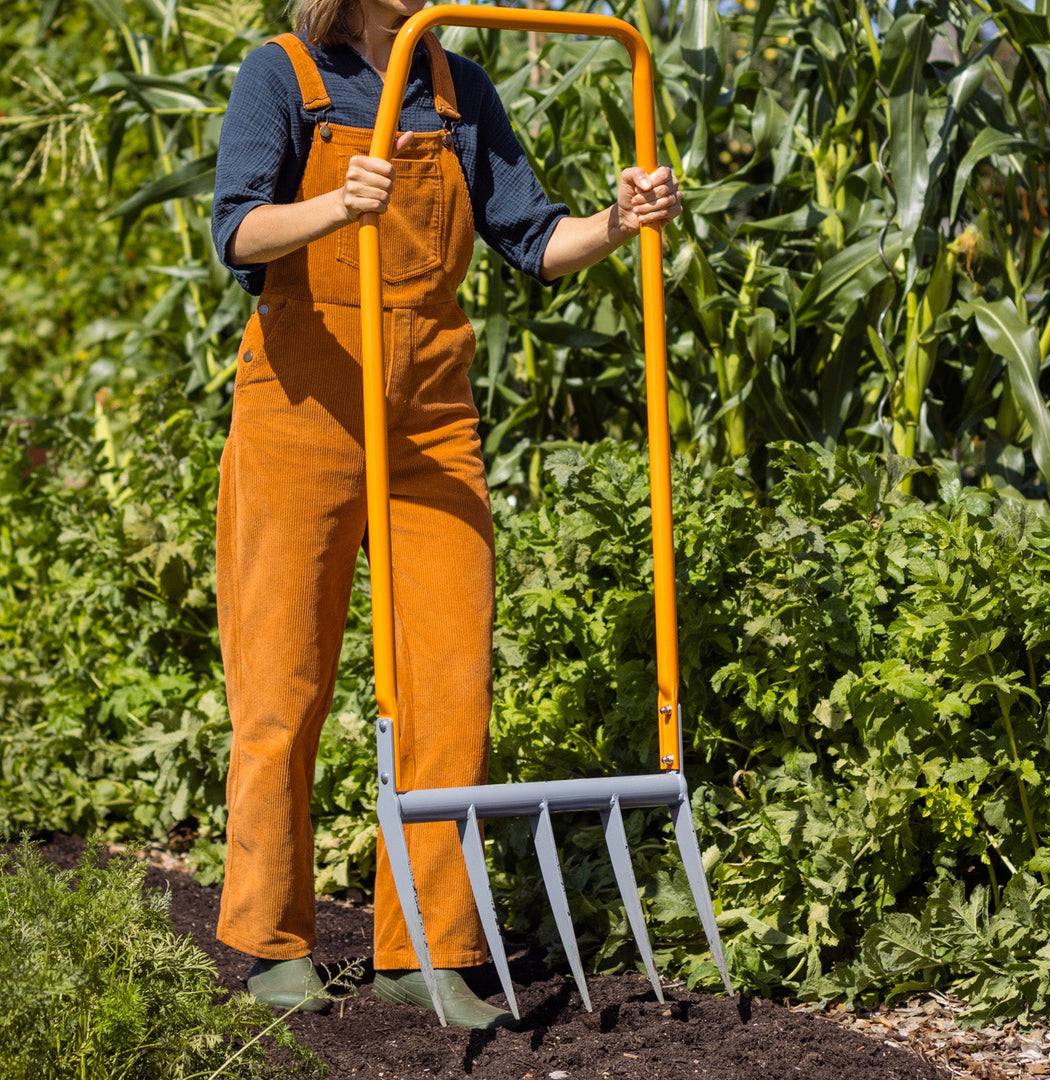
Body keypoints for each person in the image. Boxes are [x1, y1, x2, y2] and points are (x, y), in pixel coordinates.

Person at [210, 0, 682, 1030]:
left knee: (451, 685)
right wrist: (337, 206)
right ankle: (268, 943)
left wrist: (619, 223)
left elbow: (535, 238)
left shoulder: (462, 91)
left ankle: (424, 950)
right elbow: (238, 227)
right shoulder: (284, 74)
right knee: (281, 682)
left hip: (430, 418)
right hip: (304, 403)